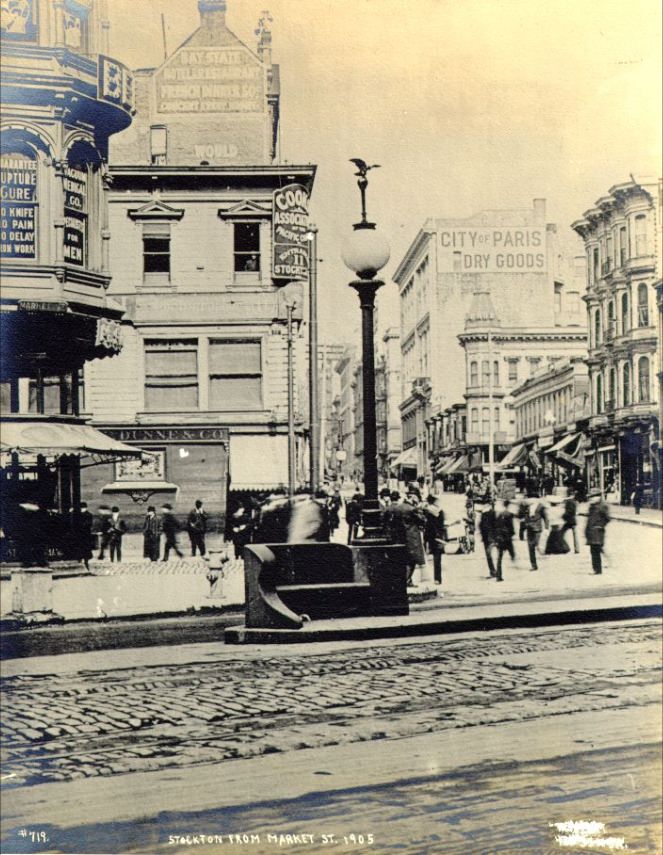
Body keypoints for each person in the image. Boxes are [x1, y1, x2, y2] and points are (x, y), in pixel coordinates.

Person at [388, 490, 426, 586]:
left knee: (403, 560)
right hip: (412, 537)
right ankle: (407, 580)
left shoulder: (398, 508)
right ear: (412, 497)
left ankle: (404, 580)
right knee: (412, 560)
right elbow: (423, 520)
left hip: (400, 537)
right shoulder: (412, 509)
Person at [585, 490, 610, 574]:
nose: (590, 499)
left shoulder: (602, 506)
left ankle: (598, 570)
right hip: (591, 532)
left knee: (596, 550)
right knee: (594, 551)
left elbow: (607, 518)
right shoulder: (591, 507)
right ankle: (596, 568)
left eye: (592, 497)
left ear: (598, 497)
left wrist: (600, 525)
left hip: (598, 532)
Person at [423, 494, 446, 585]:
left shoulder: (426, 511)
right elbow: (442, 525)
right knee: (437, 559)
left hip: (428, 536)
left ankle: (426, 577)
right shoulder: (440, 511)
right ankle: (437, 578)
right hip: (438, 537)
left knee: (425, 558)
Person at [524, 496, 549, 571]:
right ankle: (534, 565)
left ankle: (540, 549)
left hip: (537, 528)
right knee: (530, 547)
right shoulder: (527, 507)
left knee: (536, 543)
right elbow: (525, 517)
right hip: (529, 528)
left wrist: (546, 528)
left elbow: (546, 518)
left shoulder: (541, 507)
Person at [494, 500, 516, 582]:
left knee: (499, 557)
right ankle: (513, 559)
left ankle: (498, 575)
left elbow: (496, 526)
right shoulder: (509, 515)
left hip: (500, 537)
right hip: (507, 537)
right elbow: (511, 526)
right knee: (511, 549)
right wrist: (512, 533)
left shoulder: (499, 514)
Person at [72, 501, 94, 570]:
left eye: (83, 508)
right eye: (81, 508)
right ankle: (80, 561)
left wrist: (80, 526)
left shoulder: (89, 515)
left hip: (86, 536)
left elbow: (88, 524)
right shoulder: (78, 515)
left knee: (86, 550)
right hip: (80, 536)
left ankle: (86, 562)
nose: (82, 509)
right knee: (80, 549)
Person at [479, 502, 498, 578]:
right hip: (490, 537)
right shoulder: (490, 513)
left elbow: (483, 526)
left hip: (489, 538)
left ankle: (493, 571)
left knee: (489, 555)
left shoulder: (486, 514)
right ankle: (494, 571)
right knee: (491, 555)